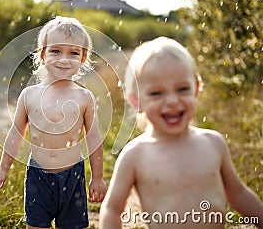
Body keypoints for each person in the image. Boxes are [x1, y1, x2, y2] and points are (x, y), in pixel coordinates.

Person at [99, 36, 263, 228]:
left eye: (182, 89)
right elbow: (112, 209)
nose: (172, 101)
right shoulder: (135, 155)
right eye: (156, 93)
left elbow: (238, 193)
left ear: (197, 90)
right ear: (137, 101)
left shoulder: (213, 143)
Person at [0, 16, 107, 229]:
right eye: (55, 51)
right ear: (42, 55)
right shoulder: (29, 95)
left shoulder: (84, 97)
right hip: (38, 176)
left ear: (83, 58)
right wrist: (3, 169)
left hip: (73, 176)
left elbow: (94, 139)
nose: (64, 59)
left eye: (73, 52)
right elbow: (16, 134)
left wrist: (97, 178)